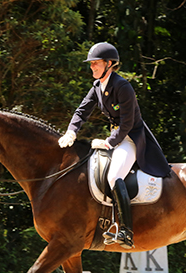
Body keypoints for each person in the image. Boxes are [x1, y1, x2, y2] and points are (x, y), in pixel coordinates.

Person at [58, 42, 171, 249]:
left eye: (96, 64)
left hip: (131, 139)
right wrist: (71, 131)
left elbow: (127, 123)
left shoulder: (122, 86)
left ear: (109, 64)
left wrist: (109, 142)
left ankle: (126, 231)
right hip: (116, 137)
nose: (92, 67)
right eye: (91, 64)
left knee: (113, 176)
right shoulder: (97, 87)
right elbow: (81, 111)